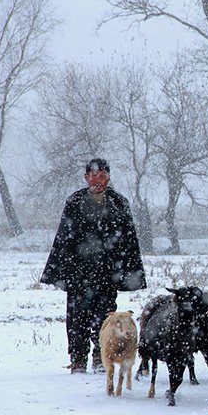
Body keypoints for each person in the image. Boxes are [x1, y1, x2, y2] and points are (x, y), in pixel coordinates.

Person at [41, 158, 147, 373]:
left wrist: (128, 271)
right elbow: (64, 238)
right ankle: (78, 359)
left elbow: (129, 241)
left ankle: (102, 356)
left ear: (108, 177)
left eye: (102, 176)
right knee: (77, 318)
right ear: (86, 177)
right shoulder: (74, 202)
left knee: (107, 317)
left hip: (107, 274)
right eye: (94, 176)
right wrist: (61, 270)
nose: (98, 181)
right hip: (79, 273)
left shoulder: (119, 203)